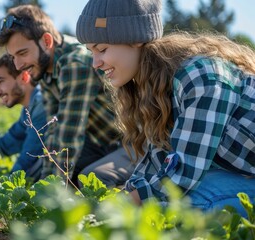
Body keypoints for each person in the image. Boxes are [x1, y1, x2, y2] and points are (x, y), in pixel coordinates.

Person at [76, 0, 255, 215]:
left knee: (189, 200)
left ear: (134, 40)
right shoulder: (157, 87)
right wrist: (121, 197)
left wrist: (118, 208)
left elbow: (183, 174)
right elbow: (156, 163)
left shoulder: (201, 77)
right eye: (91, 52)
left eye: (102, 49)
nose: (95, 63)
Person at [0, 4, 136, 188]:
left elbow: (69, 134)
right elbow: (53, 131)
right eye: (13, 56)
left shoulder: (74, 63)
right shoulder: (44, 69)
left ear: (47, 41)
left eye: (23, 53)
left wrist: (50, 192)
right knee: (43, 165)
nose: (18, 65)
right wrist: (45, 183)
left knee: (93, 178)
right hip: (100, 145)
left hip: (131, 144)